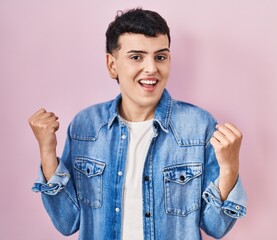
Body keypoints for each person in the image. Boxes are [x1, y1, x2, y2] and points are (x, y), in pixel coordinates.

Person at [29, 8, 247, 240]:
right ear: (112, 65)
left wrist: (230, 167)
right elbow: (67, 222)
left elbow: (217, 227)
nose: (151, 68)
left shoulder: (199, 126)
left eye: (160, 57)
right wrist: (47, 151)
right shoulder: (85, 126)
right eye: (136, 57)